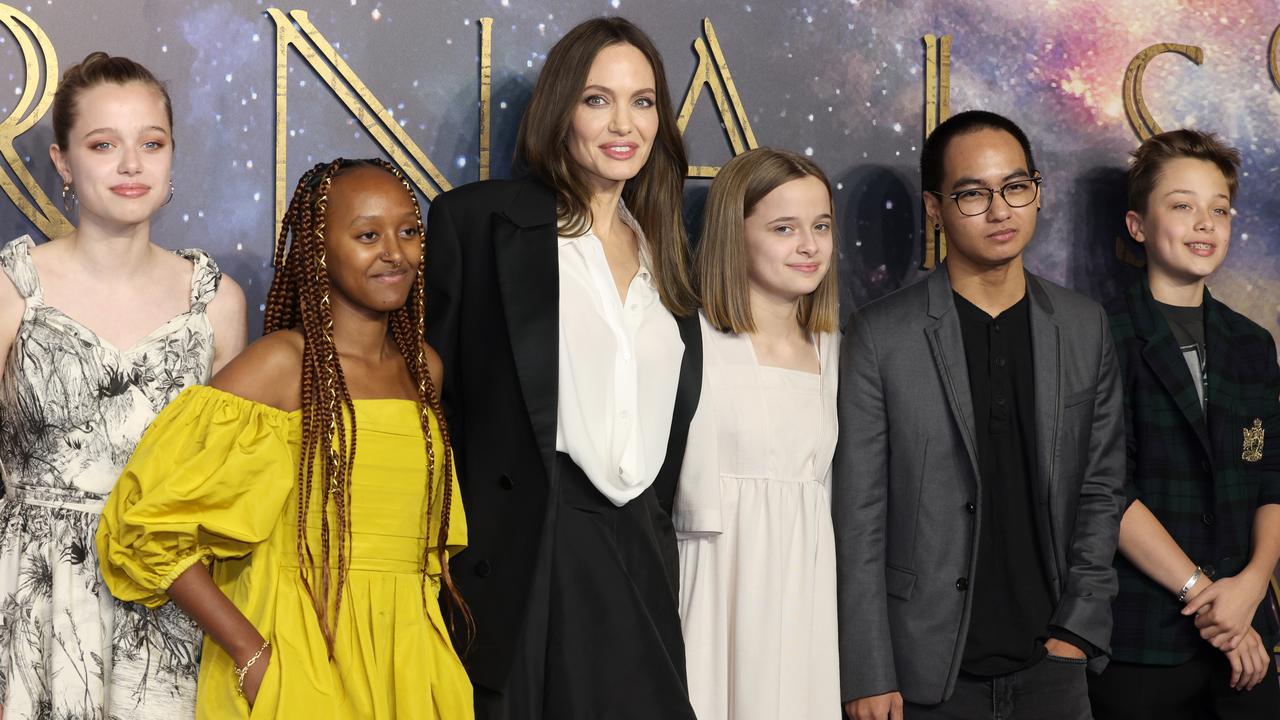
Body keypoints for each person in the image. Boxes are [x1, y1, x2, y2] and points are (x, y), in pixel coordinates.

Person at [96, 158, 473, 718]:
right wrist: (252, 656)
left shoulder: (425, 369)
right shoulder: (281, 366)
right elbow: (146, 526)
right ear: (318, 252)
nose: (395, 252)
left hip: (409, 661)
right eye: (367, 235)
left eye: (409, 231)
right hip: (299, 655)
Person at [424, 16, 702, 720]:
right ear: (560, 111)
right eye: (596, 99)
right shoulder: (480, 224)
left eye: (643, 101)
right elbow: (435, 407)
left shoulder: (668, 254)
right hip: (528, 551)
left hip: (638, 546)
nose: (624, 123)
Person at [835, 110, 1126, 720]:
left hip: (1053, 666)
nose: (1000, 211)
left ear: (1037, 191)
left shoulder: (1082, 326)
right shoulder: (880, 335)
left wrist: (1077, 631)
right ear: (935, 208)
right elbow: (859, 516)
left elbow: (1101, 489)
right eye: (972, 194)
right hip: (922, 672)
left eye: (1016, 187)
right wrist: (867, 669)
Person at [0, 52, 246, 719]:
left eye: (152, 143)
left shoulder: (216, 303)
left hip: (166, 610)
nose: (131, 165)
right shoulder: (14, 289)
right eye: (104, 145)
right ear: (61, 162)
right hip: (31, 608)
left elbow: (225, 490)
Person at [1086, 129, 1280, 719]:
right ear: (1137, 225)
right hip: (1143, 638)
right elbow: (1108, 490)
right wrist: (1205, 598)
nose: (1205, 223)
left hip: (1248, 638)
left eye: (1218, 209)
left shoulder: (1252, 343)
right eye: (1182, 205)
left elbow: (1270, 476)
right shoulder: (1098, 334)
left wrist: (1250, 585)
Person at [675, 147, 842, 719]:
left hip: (807, 596)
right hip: (712, 590)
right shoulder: (684, 343)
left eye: (821, 226)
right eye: (783, 228)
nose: (809, 246)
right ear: (733, 234)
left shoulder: (839, 353)